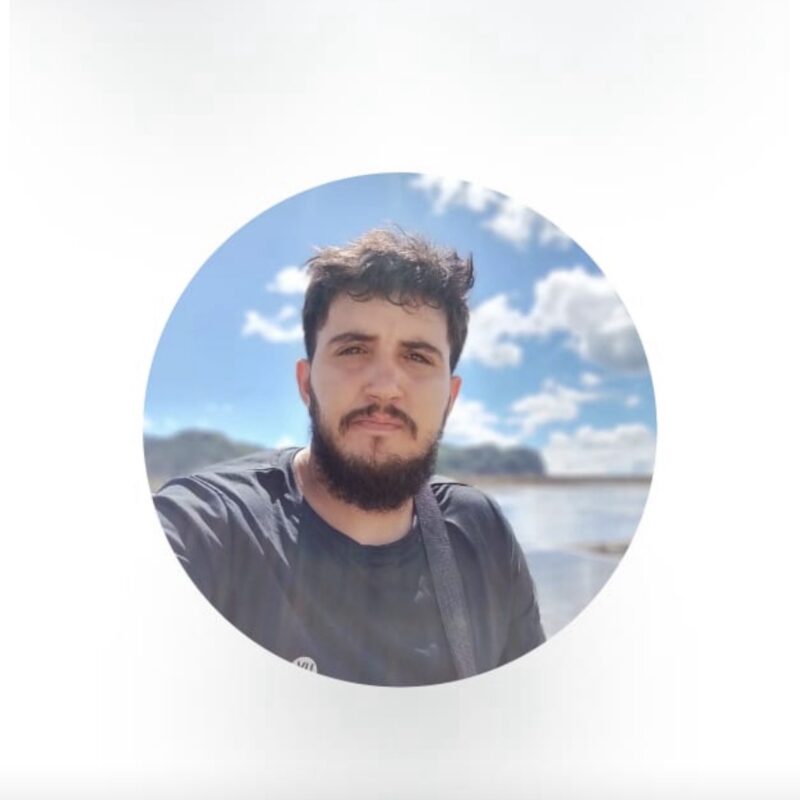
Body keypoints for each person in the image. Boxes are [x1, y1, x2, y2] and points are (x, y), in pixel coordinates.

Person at [154, 228, 545, 686]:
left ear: (450, 398)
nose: (384, 387)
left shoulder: (482, 534)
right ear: (306, 384)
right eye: (354, 350)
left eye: (418, 357)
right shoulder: (213, 529)